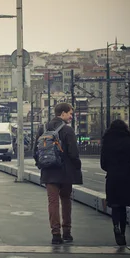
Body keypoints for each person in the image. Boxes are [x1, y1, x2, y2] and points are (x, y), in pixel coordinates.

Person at [33, 102, 83, 245]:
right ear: (62, 114)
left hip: (49, 171)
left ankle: (56, 234)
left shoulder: (43, 128)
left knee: (52, 202)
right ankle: (67, 233)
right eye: (70, 113)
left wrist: (41, 164)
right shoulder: (68, 130)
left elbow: (35, 150)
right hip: (65, 172)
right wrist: (77, 167)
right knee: (66, 200)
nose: (71, 116)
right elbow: (74, 153)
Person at [100, 119, 130, 246]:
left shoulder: (107, 141)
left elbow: (103, 163)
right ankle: (123, 233)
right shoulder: (129, 140)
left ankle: (116, 227)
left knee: (114, 205)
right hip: (127, 176)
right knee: (123, 206)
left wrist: (110, 169)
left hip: (113, 176)